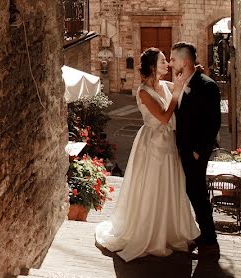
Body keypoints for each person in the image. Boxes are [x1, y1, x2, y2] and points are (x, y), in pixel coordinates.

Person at [94, 48, 201, 261]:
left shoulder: (165, 85)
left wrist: (193, 74)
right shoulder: (143, 91)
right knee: (152, 186)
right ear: (153, 66)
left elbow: (185, 85)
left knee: (169, 185)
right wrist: (177, 92)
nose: (167, 64)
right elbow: (162, 117)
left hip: (168, 142)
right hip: (152, 144)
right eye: (163, 61)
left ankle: (170, 231)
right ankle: (150, 234)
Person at [170, 41, 222, 252]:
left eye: (173, 59)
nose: (171, 63)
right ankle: (203, 234)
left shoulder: (207, 86)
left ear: (184, 61)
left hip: (195, 153)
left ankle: (209, 238)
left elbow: (213, 123)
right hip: (182, 148)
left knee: (197, 192)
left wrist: (199, 151)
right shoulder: (182, 82)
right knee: (191, 191)